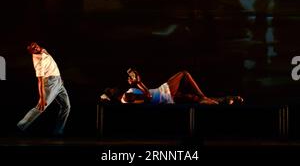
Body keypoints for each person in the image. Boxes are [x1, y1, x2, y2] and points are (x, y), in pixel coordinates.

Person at [100, 69, 243, 106]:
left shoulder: (126, 97)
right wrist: (138, 83)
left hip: (164, 98)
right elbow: (148, 97)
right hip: (163, 93)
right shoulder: (125, 97)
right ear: (113, 95)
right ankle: (206, 97)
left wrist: (138, 82)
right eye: (111, 90)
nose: (113, 88)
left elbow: (146, 96)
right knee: (184, 74)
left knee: (193, 98)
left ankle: (226, 100)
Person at [17, 42, 71, 136]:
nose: (36, 47)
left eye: (35, 45)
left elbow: (52, 64)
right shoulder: (39, 62)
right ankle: (20, 127)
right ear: (30, 51)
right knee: (41, 107)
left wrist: (59, 77)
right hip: (51, 84)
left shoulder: (43, 50)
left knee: (66, 106)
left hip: (58, 81)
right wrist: (42, 98)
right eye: (33, 48)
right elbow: (40, 81)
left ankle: (58, 131)